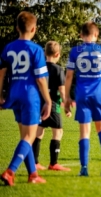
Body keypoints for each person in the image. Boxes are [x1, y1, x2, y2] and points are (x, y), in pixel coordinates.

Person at [0, 11, 51, 186]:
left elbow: (1, 73)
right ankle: (10, 171)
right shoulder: (36, 49)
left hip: (14, 93)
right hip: (30, 95)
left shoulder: (8, 47)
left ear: (17, 28)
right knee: (29, 136)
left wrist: (0, 95)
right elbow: (40, 79)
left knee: (25, 136)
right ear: (34, 29)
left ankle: (33, 174)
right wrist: (48, 100)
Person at [64, 22, 101, 176]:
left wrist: (66, 97)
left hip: (82, 95)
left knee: (84, 133)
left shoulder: (75, 51)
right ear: (96, 35)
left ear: (81, 35)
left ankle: (84, 168)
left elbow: (69, 75)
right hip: (99, 94)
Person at [32, 41, 71, 171]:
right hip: (53, 105)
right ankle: (53, 163)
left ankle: (35, 162)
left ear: (44, 53)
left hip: (39, 104)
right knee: (58, 132)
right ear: (57, 54)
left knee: (39, 131)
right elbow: (62, 90)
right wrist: (66, 105)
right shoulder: (58, 69)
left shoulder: (39, 67)